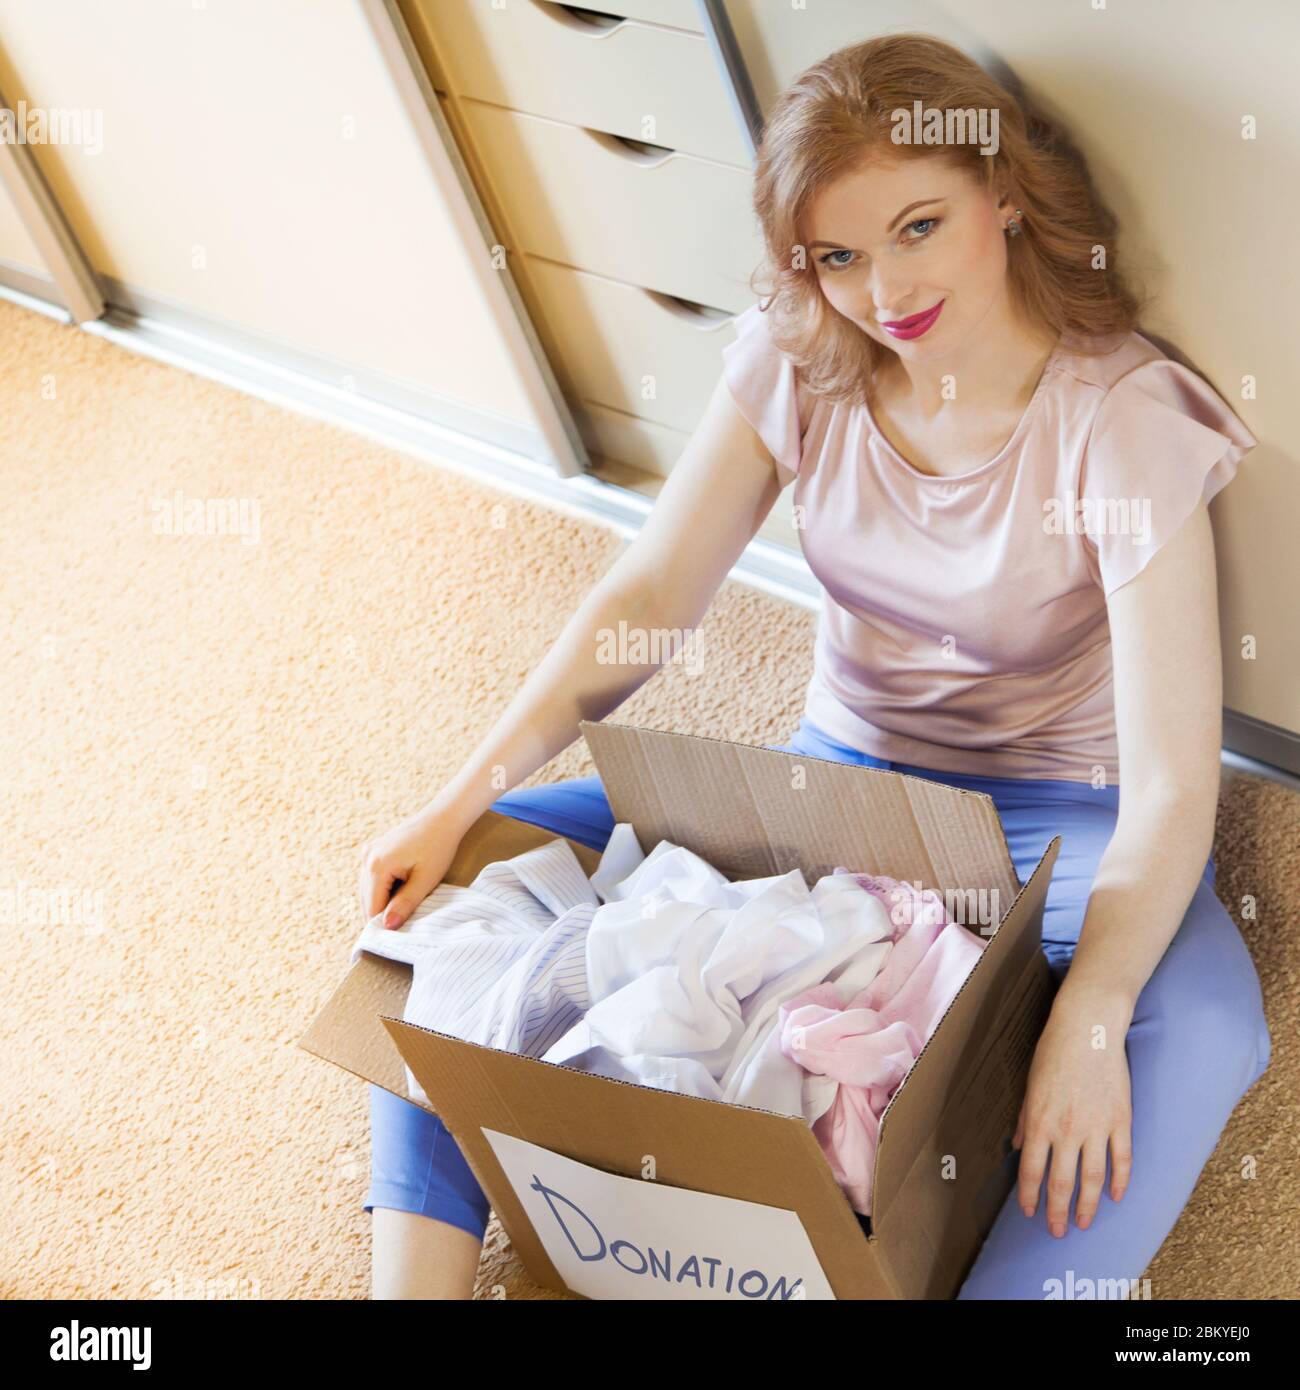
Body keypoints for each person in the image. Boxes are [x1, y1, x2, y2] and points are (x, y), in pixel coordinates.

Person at [354, 34, 1270, 1300]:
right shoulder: (802, 358)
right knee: (457, 878)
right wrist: (456, 798)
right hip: (835, 789)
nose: (882, 289)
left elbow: (1174, 787)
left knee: (1206, 1025)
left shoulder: (1118, 421)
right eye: (838, 255)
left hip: (1058, 826)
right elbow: (645, 598)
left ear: (1003, 195)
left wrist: (1090, 1015)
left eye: (917, 227)